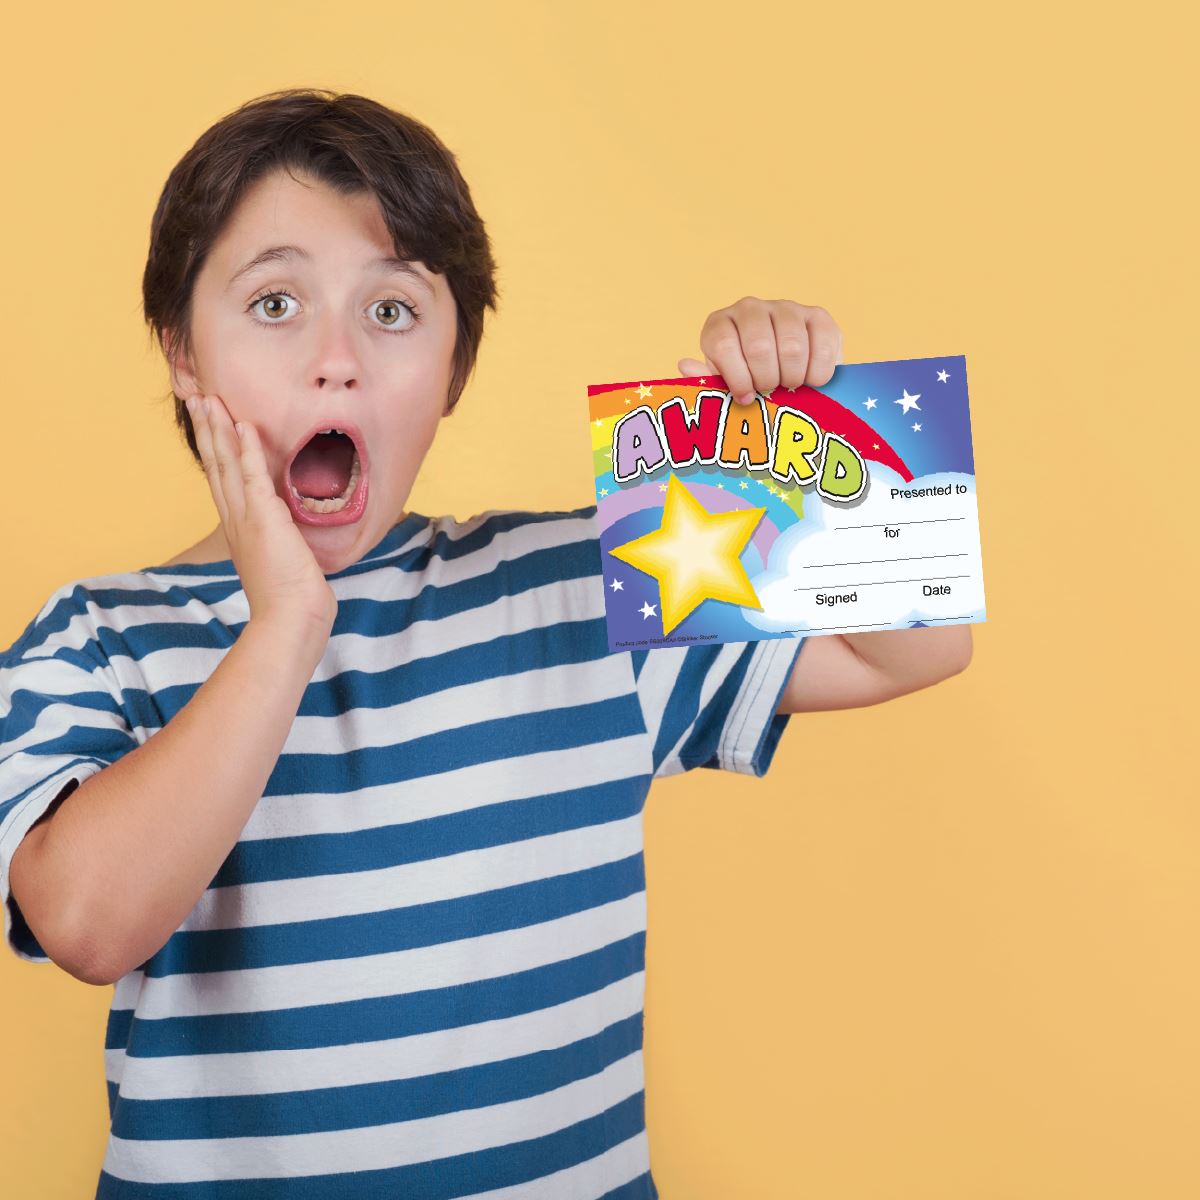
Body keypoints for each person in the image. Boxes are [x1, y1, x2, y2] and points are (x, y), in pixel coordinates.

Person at [0, 88, 972, 1198]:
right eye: (274, 304)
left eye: (395, 311)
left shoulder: (585, 586)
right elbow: (81, 923)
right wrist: (286, 626)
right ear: (180, 352)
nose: (336, 360)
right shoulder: (97, 634)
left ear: (455, 367)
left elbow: (918, 649)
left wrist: (805, 419)